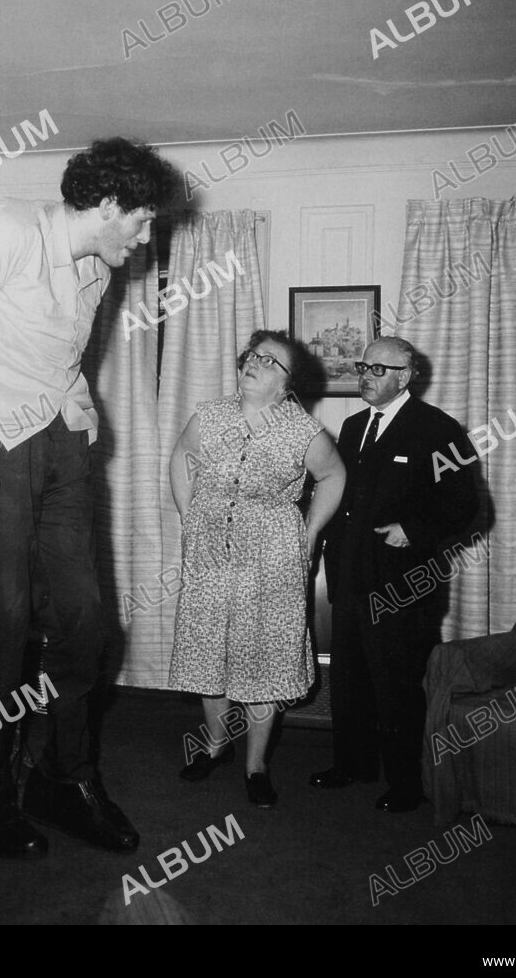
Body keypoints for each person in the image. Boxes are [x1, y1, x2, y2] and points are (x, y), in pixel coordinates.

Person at [0, 137, 175, 857]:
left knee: (87, 620)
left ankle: (63, 777)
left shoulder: (97, 266)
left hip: (55, 441)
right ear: (109, 204)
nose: (148, 237)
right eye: (144, 220)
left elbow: (58, 351)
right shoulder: (2, 228)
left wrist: (80, 397)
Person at [168, 330, 345, 807]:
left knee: (263, 662)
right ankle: (215, 746)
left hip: (271, 560)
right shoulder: (210, 415)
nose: (254, 363)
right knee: (210, 657)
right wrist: (189, 517)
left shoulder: (303, 431)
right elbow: (183, 459)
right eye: (253, 356)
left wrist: (307, 536)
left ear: (288, 384)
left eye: (270, 361)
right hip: (210, 554)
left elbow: (334, 477)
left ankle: (256, 765)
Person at [312, 336, 478, 812]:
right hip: (349, 574)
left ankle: (406, 784)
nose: (366, 375)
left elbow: (465, 504)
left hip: (404, 583)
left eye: (378, 369)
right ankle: (353, 764)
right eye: (363, 366)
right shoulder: (351, 427)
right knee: (349, 676)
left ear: (405, 376)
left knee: (397, 683)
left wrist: (414, 529)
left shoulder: (438, 430)